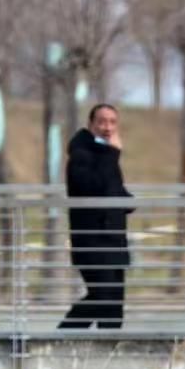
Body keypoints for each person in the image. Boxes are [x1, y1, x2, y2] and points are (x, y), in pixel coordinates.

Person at [58, 103, 134, 329]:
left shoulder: (106, 154)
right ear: (91, 125)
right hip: (92, 239)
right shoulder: (81, 154)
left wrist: (128, 202)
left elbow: (114, 189)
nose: (107, 127)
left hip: (114, 239)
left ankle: (108, 354)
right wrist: (112, 153)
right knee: (102, 297)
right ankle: (62, 337)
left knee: (114, 304)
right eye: (101, 121)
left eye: (112, 122)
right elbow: (89, 185)